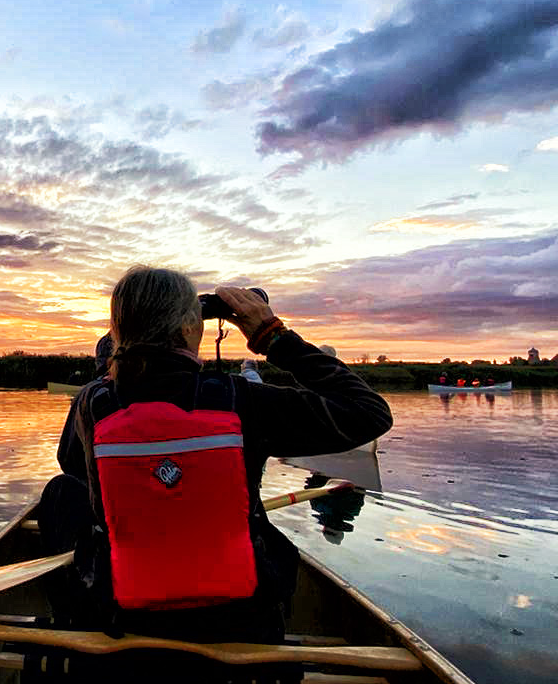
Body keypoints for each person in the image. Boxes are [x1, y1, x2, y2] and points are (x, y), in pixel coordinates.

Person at [36, 265, 393, 641]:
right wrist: (272, 337)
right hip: (241, 611)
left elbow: (73, 464)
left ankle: (73, 622)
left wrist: (127, 340)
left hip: (124, 607)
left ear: (118, 332)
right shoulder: (241, 400)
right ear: (192, 328)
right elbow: (369, 412)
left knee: (62, 490)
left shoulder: (94, 404)